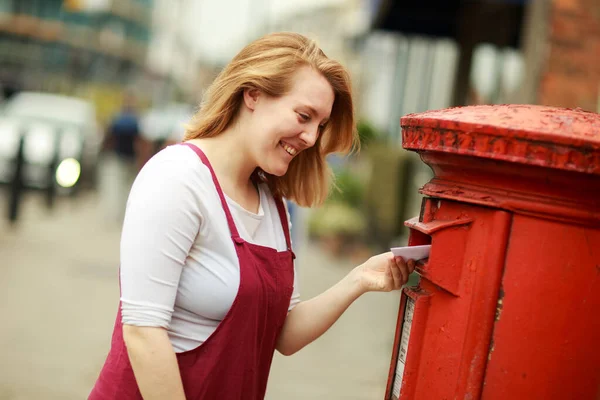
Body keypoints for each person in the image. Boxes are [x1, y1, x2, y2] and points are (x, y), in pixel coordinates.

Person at [89, 32, 415, 400]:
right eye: (304, 116)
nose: (310, 137)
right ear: (253, 94)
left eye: (320, 125)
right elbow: (143, 331)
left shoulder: (273, 203)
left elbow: (283, 334)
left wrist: (358, 280)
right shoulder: (176, 178)